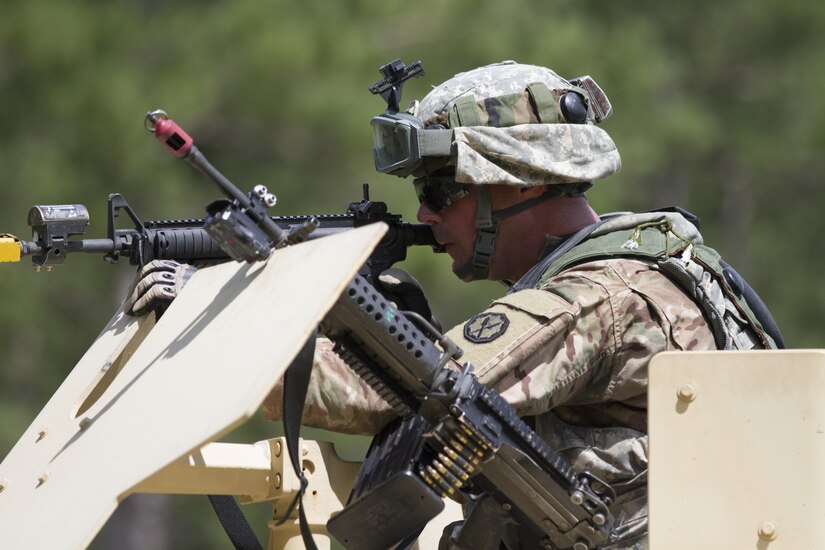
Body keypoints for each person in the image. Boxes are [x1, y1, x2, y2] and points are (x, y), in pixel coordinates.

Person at [125, 61, 781, 549]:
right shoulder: (645, 264)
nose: (424, 215)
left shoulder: (593, 299)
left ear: (514, 183)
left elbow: (401, 390)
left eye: (442, 191)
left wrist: (211, 332)